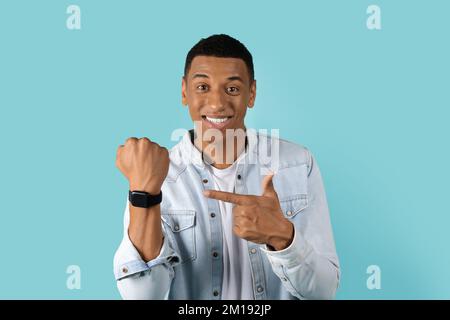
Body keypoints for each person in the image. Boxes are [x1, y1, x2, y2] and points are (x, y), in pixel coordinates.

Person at [113, 34, 340, 300]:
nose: (218, 103)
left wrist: (283, 238)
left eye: (231, 89)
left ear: (251, 93)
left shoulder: (297, 163)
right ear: (184, 91)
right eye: (202, 87)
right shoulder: (154, 174)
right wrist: (145, 194)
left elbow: (324, 293)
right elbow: (142, 296)